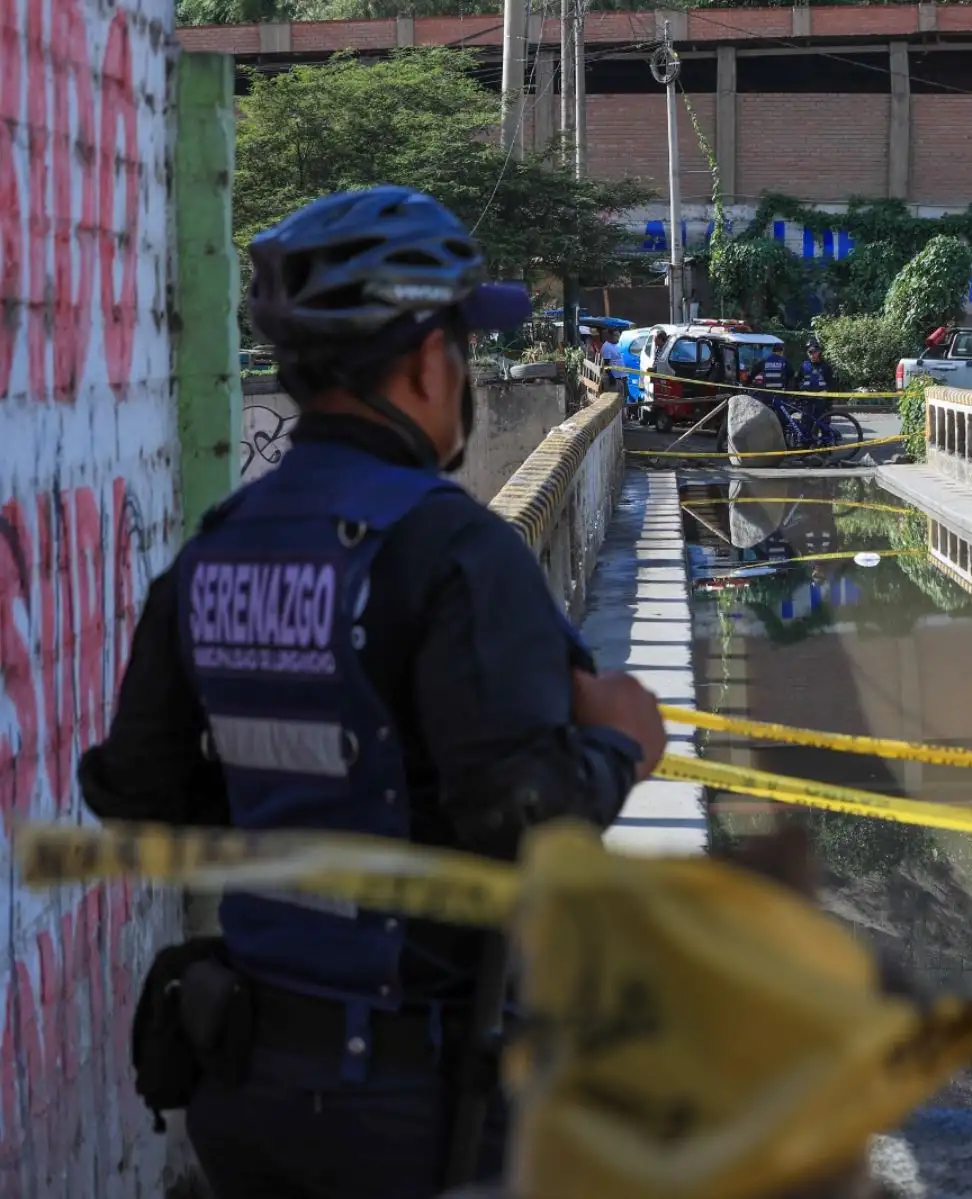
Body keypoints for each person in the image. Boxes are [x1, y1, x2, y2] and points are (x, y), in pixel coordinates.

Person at [75, 185, 668, 1199]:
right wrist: (621, 743)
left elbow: (132, 787)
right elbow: (523, 819)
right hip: (417, 1105)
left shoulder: (220, 544)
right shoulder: (454, 552)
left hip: (243, 1085)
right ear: (430, 359)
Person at [795, 339, 836, 432]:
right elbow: (797, 382)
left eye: (814, 352)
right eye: (809, 352)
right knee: (806, 424)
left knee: (823, 424)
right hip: (807, 401)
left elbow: (832, 383)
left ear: (819, 352)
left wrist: (828, 398)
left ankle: (826, 444)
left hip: (822, 402)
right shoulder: (803, 366)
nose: (812, 354)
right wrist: (798, 395)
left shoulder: (825, 366)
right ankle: (807, 443)